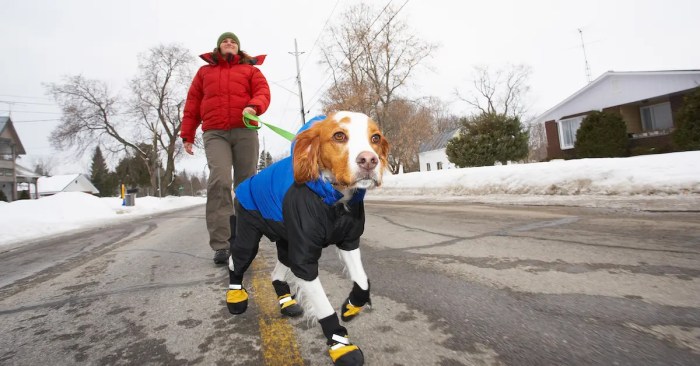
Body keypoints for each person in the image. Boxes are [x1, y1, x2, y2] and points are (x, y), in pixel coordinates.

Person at [181, 32, 271, 264]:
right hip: (215, 133)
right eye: (224, 41)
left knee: (246, 185)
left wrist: (253, 106)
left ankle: (244, 239)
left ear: (238, 48)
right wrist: (187, 134)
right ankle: (222, 244)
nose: (229, 43)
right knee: (220, 180)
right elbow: (192, 105)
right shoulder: (204, 72)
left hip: (245, 130)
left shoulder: (251, 70)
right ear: (218, 47)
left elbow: (263, 92)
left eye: (233, 41)